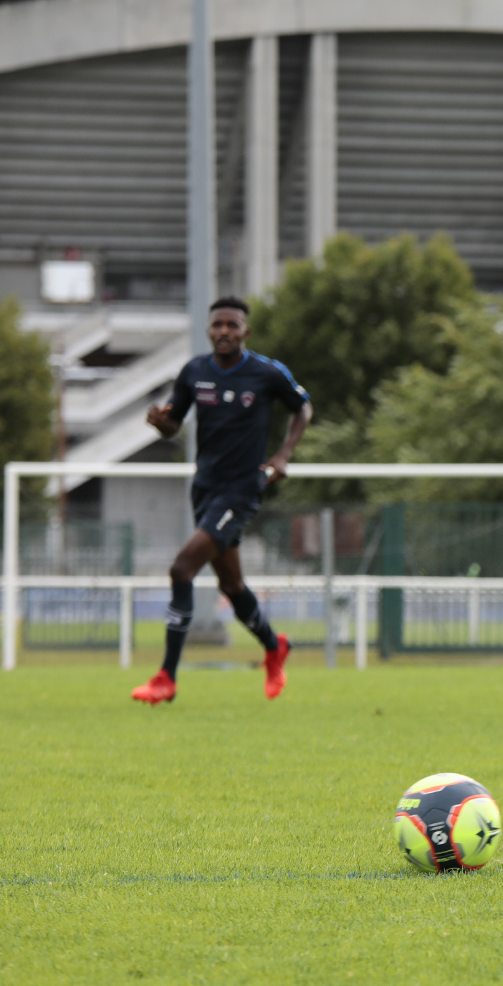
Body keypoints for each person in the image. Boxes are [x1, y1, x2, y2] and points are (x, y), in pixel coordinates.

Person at [130, 298, 312, 704]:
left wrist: (283, 455)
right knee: (231, 583)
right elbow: (173, 423)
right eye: (217, 325)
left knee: (181, 569)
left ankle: (166, 678)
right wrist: (162, 423)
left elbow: (303, 408)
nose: (224, 331)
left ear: (245, 331)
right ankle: (274, 646)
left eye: (233, 324)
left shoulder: (266, 372)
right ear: (209, 330)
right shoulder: (194, 372)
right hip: (205, 488)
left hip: (242, 488)